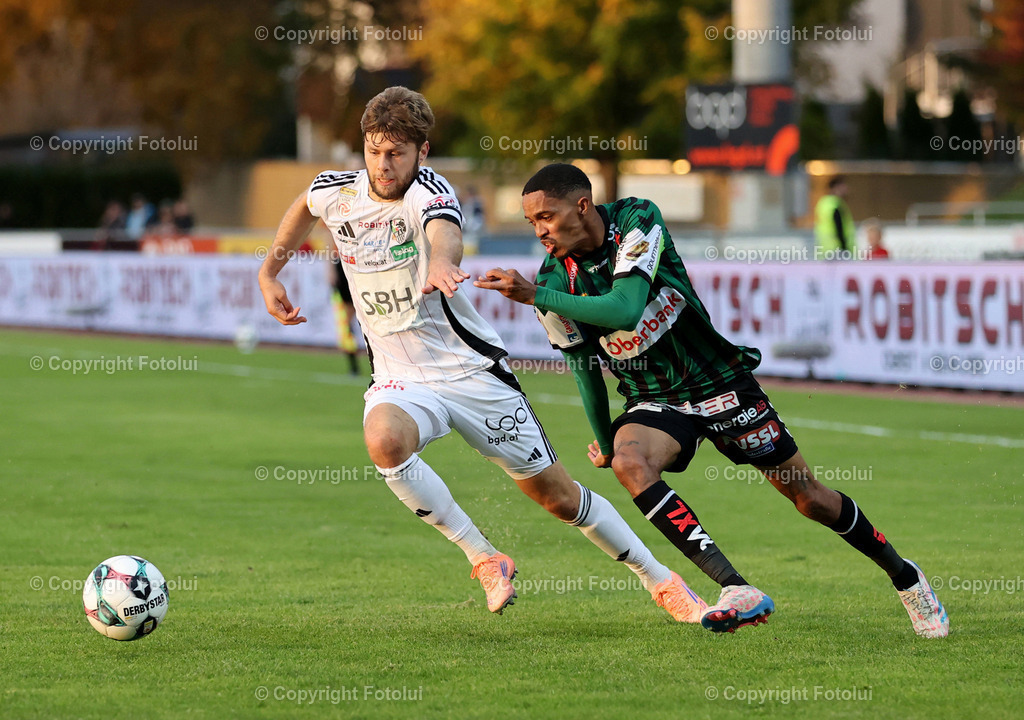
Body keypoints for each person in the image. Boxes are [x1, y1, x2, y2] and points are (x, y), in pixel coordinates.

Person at [258, 88, 706, 622]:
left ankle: (663, 581)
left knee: (560, 499)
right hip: (401, 376)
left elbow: (443, 234)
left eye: (397, 153)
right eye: (374, 150)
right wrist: (269, 272)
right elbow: (304, 209)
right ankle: (484, 557)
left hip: (471, 373)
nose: (383, 164)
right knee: (384, 441)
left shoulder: (430, 192)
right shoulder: (336, 190)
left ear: (422, 153)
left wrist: (442, 265)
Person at [475, 163, 948, 638]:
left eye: (546, 217)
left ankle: (906, 577)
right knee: (630, 462)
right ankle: (735, 587)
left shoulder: (636, 219)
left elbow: (625, 307)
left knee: (810, 500)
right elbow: (583, 369)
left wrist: (539, 296)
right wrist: (604, 440)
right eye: (531, 222)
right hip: (655, 397)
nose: (539, 231)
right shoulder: (553, 279)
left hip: (719, 380)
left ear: (582, 206)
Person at [814, 176, 856, 260]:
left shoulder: (823, 203)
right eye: (843, 186)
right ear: (836, 187)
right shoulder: (835, 204)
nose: (846, 189)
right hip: (837, 248)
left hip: (825, 248)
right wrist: (844, 247)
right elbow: (838, 226)